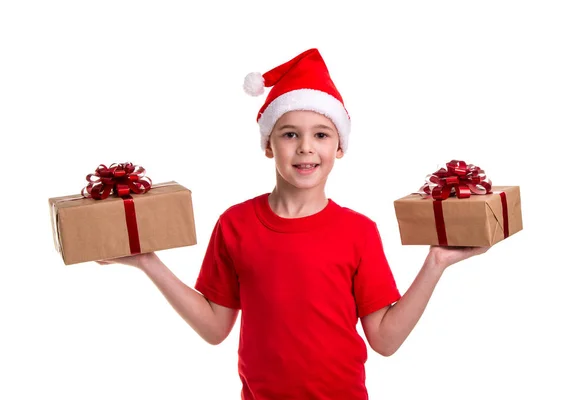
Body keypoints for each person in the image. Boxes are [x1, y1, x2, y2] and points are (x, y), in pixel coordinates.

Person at [98, 48, 489, 400]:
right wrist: (147, 261)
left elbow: (385, 340)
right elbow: (215, 328)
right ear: (268, 144)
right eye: (289, 134)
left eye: (321, 134)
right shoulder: (235, 224)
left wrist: (435, 263)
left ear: (339, 147)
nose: (305, 147)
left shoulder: (359, 231)